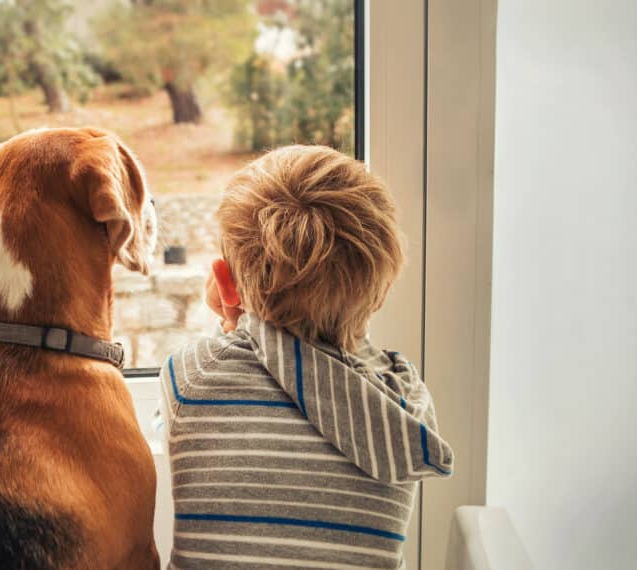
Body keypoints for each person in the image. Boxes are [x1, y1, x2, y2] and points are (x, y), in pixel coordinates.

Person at [159, 145, 454, 569]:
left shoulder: (193, 375)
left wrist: (231, 319)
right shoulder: (403, 402)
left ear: (224, 283)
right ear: (385, 289)